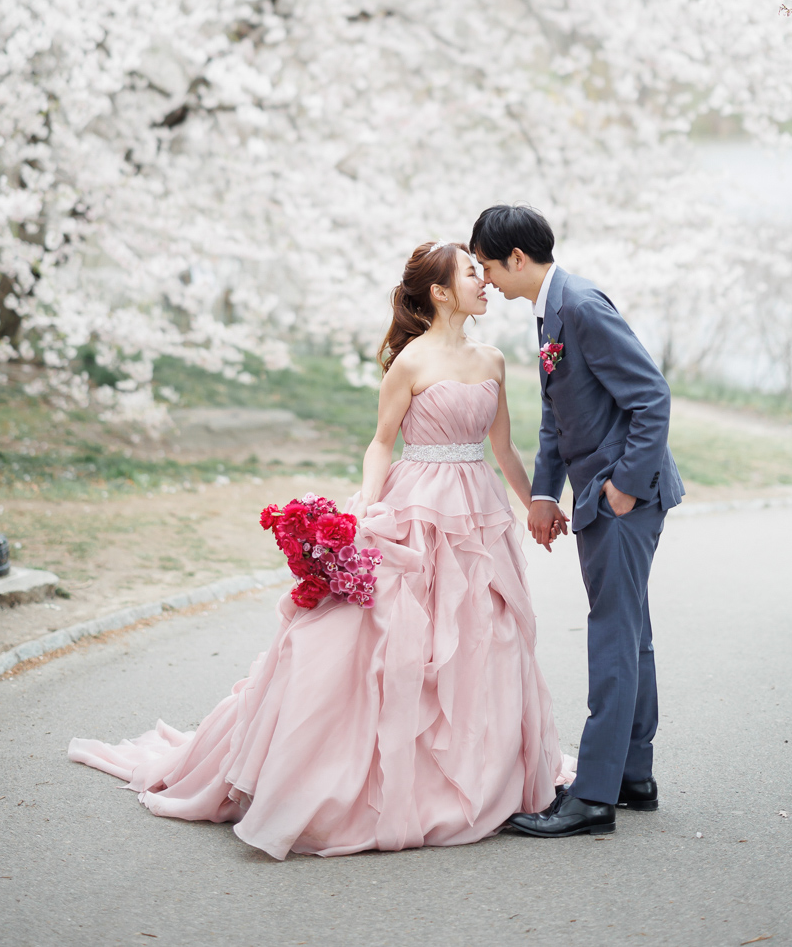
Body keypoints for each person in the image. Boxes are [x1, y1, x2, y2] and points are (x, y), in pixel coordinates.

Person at [68, 240, 569, 859]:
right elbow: (381, 442)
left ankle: (480, 772)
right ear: (440, 292)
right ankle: (377, 780)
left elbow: (505, 450)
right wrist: (369, 505)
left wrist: (537, 505)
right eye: (472, 273)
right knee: (395, 638)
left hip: (479, 512)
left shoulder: (492, 359)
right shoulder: (409, 364)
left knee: (482, 635)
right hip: (416, 504)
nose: (483, 282)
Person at [470, 204, 684, 838]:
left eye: (486, 265)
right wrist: (542, 493)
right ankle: (630, 777)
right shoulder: (549, 311)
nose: (485, 279)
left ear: (516, 257)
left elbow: (652, 397)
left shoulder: (582, 306)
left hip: (622, 499)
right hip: (600, 494)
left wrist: (623, 487)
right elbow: (556, 411)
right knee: (630, 631)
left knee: (612, 636)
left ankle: (592, 798)